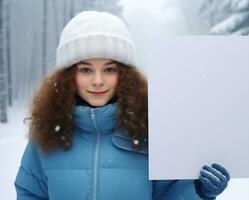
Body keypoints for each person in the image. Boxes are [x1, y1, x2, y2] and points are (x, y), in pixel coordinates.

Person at [14, 11, 230, 200]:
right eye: (86, 70)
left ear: (124, 76)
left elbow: (165, 195)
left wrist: (198, 191)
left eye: (109, 69)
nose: (98, 80)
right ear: (69, 76)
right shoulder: (46, 136)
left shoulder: (149, 130)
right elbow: (30, 193)